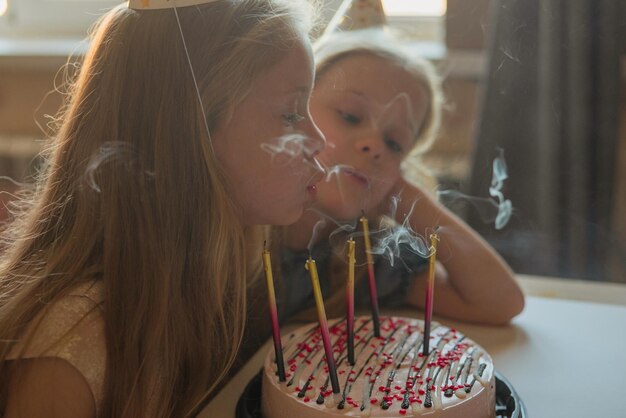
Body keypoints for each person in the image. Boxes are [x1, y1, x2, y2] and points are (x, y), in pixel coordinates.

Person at [0, 0, 324, 416]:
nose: (319, 141)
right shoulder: (70, 346)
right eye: (291, 113)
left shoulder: (211, 269)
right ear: (193, 130)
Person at [276, 29, 525, 328]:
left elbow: (500, 301)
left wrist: (401, 195)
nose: (374, 145)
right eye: (350, 116)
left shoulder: (365, 259)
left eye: (394, 143)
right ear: (292, 111)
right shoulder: (233, 229)